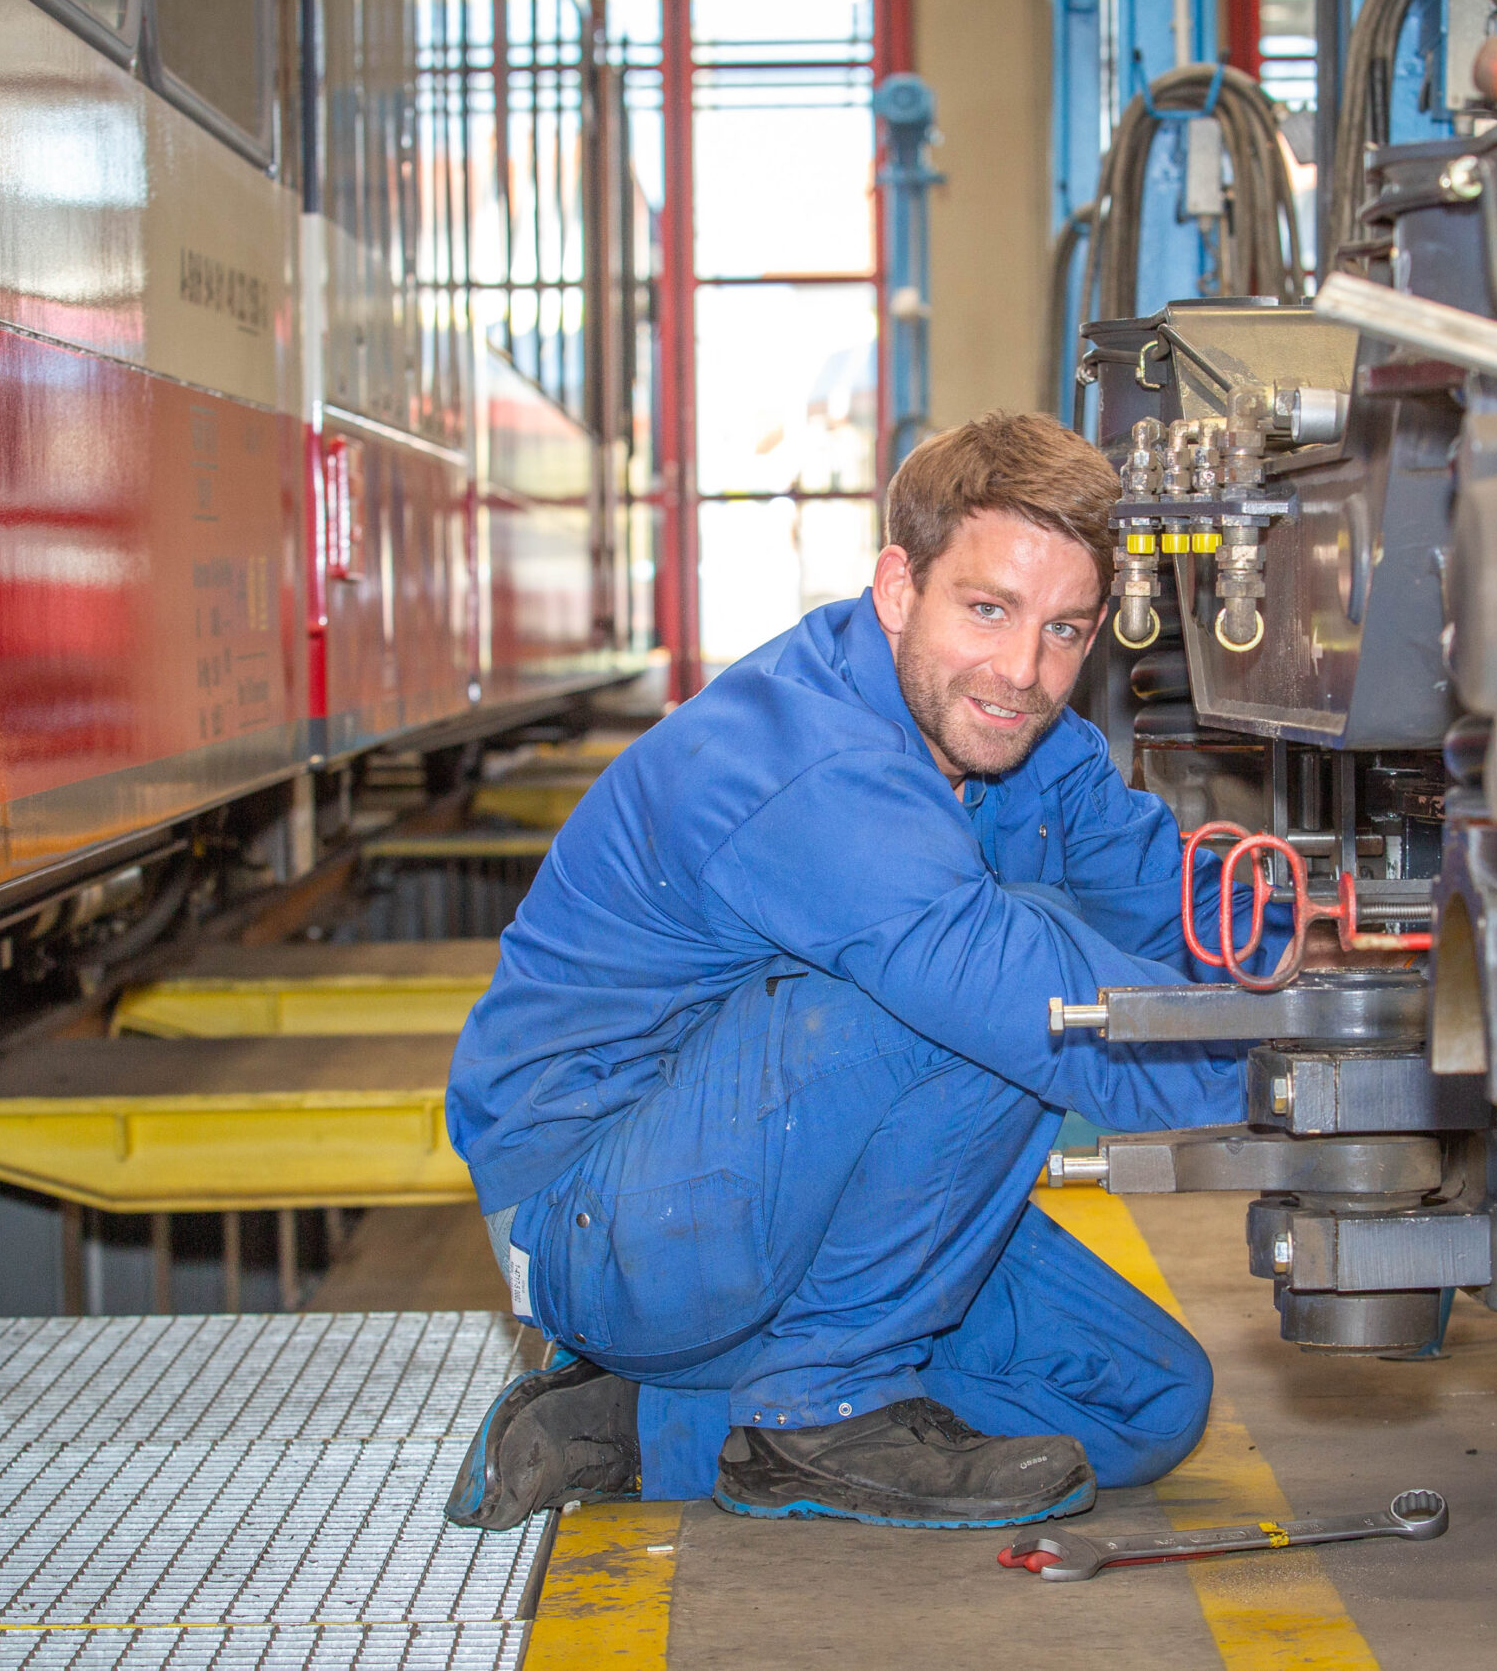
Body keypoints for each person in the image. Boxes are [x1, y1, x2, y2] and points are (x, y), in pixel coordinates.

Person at [442, 411, 1279, 1532]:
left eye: (1065, 629)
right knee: (1003, 978)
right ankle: (819, 1406)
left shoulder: (1033, 741)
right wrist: (1303, 1075)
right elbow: (1025, 995)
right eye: (986, 609)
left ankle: (636, 1423)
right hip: (599, 1211)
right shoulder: (806, 756)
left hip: (773, 1189)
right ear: (897, 587)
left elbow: (1182, 914)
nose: (1022, 670)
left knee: (1142, 1404)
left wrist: (1357, 985)